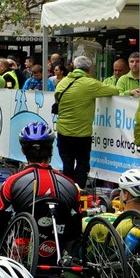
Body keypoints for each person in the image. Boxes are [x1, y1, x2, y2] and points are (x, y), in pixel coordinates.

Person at [0, 123, 82, 258]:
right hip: (55, 249)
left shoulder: (12, 182)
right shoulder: (70, 185)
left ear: (23, 150)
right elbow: (75, 229)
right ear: (51, 150)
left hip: (19, 248)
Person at [52, 55, 120, 187]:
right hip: (81, 133)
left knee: (67, 164)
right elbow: (114, 91)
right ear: (89, 69)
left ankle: (66, 190)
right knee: (82, 164)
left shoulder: (62, 82)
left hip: (62, 131)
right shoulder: (90, 84)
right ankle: (79, 191)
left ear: (74, 67)